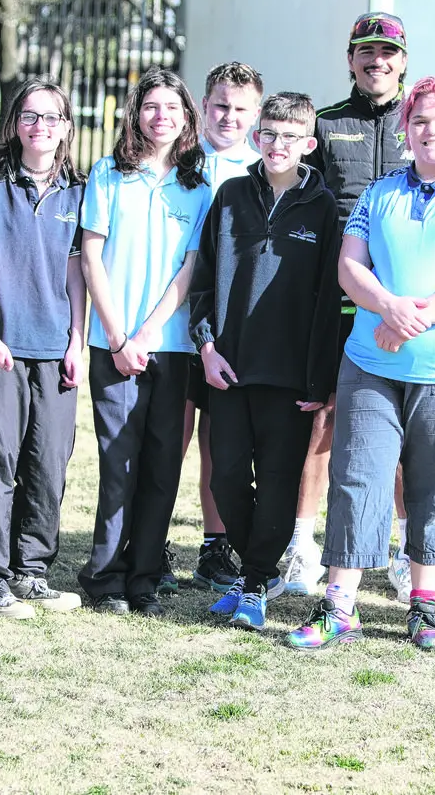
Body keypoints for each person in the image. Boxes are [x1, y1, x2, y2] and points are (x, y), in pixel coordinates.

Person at [285, 77, 435, 653]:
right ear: (404, 131)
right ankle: (340, 605)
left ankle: (424, 606)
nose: (430, 131)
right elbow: (349, 266)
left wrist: (416, 316)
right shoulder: (378, 193)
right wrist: (387, 305)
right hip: (371, 362)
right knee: (356, 476)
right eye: (419, 122)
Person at [189, 92, 341, 630]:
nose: (278, 145)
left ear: (310, 144)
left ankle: (253, 582)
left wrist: (321, 381)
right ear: (258, 137)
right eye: (270, 134)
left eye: (291, 137)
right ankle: (254, 566)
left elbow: (329, 300)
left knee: (279, 482)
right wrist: (206, 346)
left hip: (290, 379)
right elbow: (203, 279)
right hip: (229, 369)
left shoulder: (323, 209)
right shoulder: (229, 196)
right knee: (226, 477)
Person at [282, 11, 415, 601]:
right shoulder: (328, 124)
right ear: (350, 59)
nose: (377, 61)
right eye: (366, 51)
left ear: (403, 60)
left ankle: (406, 548)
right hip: (335, 301)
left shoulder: (422, 123)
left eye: (387, 52)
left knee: (404, 430)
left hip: (409, 304)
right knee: (322, 421)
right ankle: (302, 546)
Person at [77, 66, 211, 617]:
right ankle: (105, 576)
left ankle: (145, 575)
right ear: (136, 114)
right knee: (119, 460)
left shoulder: (197, 187)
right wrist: (116, 334)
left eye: (172, 109)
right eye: (152, 106)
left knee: (161, 463)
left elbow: (190, 265)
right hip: (113, 343)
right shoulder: (108, 173)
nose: (162, 117)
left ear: (186, 119)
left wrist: (152, 331)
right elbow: (90, 252)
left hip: (171, 345)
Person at [0, 78, 86, 620]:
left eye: (52, 118)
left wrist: (77, 341)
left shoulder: (79, 190)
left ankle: (31, 572)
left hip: (56, 351)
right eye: (30, 116)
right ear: (14, 123)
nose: (41, 127)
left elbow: (79, 272)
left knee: (48, 464)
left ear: (66, 128)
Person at [180, 62, 264, 594]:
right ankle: (148, 539)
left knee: (217, 436)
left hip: (225, 327)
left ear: (256, 113)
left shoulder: (262, 167)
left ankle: (215, 544)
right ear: (203, 107)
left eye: (240, 108)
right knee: (171, 435)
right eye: (219, 105)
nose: (228, 116)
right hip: (169, 324)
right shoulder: (180, 162)